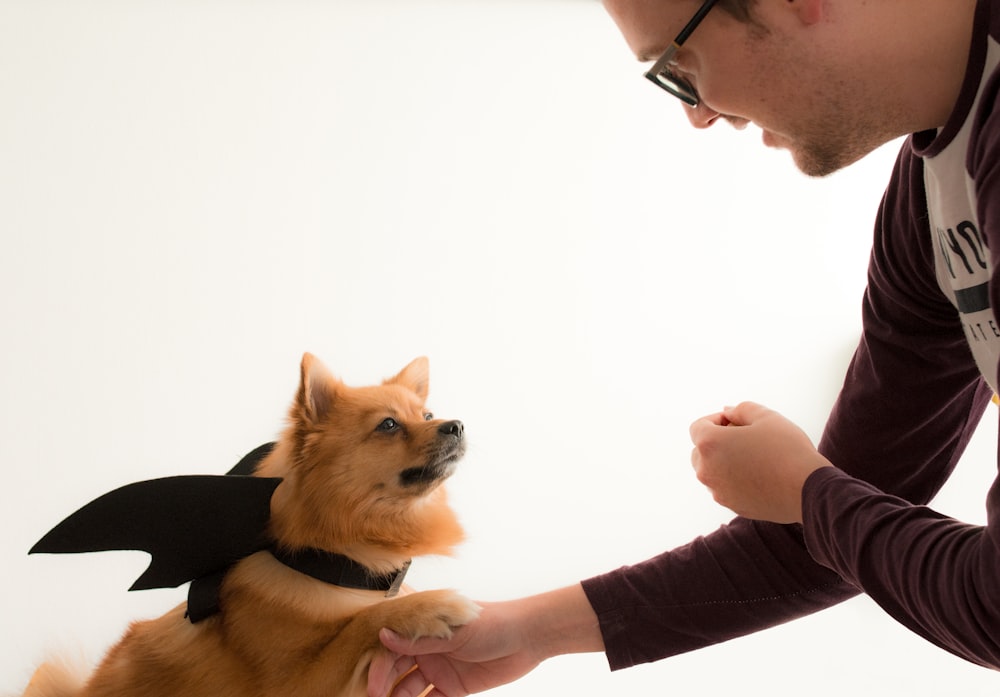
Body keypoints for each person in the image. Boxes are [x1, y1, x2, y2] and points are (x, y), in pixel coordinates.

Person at [368, 0, 1000, 693]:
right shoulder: (929, 199)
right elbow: (832, 531)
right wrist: (529, 629)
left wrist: (808, 492)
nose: (698, 112)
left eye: (680, 63)